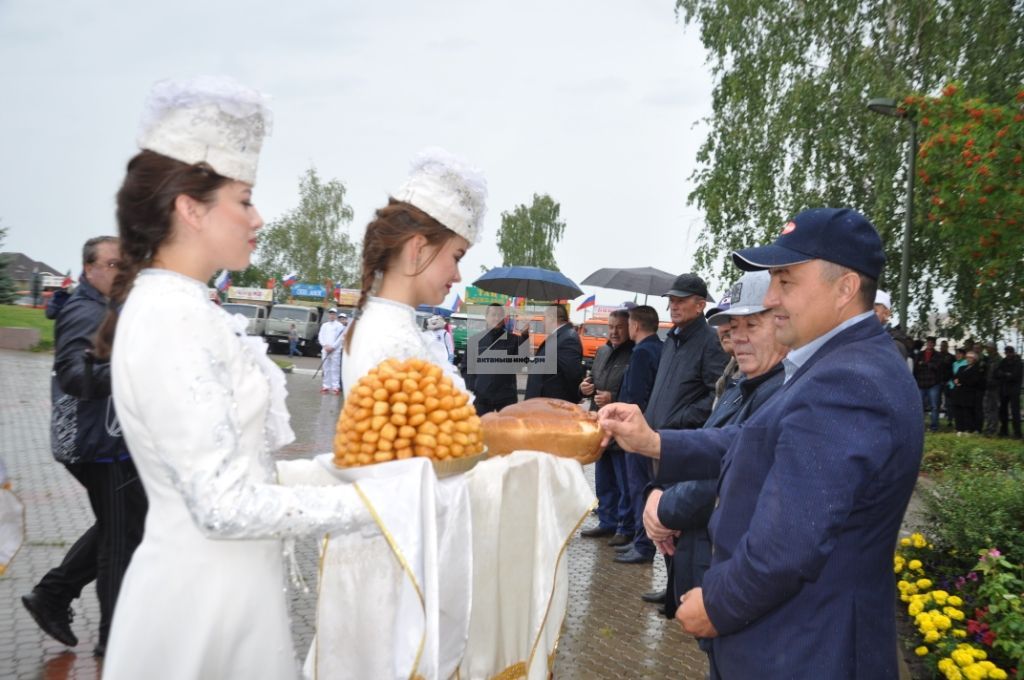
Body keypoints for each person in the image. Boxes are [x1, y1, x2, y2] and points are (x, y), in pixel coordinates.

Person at [92, 76, 375, 680]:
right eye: (244, 199)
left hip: (233, 590)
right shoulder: (169, 317)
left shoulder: (187, 308)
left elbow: (241, 466)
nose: (258, 217)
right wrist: (372, 507)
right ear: (190, 208)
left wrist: (339, 470)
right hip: (196, 605)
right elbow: (222, 506)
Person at [599, 207, 923, 678]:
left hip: (802, 650)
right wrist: (653, 442)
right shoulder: (835, 365)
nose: (772, 297)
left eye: (786, 282)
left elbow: (788, 547)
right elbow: (756, 438)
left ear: (845, 287)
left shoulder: (848, 381)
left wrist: (715, 604)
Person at [21, 236, 148, 657]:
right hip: (96, 443)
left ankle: (53, 594)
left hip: (111, 440)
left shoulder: (108, 308)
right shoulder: (83, 310)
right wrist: (133, 365)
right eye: (112, 264)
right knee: (120, 538)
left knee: (127, 523)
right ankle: (113, 637)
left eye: (124, 265)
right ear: (89, 268)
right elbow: (77, 378)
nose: (120, 272)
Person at [646, 270, 788, 623]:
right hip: (705, 570)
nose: (737, 339)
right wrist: (659, 491)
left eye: (751, 326)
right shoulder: (742, 386)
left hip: (734, 590)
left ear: (784, 324)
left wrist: (666, 506)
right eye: (730, 329)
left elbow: (736, 475)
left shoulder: (781, 393)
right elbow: (711, 448)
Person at [342, 148, 485, 398]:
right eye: (457, 257)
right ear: (417, 248)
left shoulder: (385, 327)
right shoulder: (394, 342)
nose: (458, 276)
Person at [615, 273, 727, 566]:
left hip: (679, 442)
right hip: (653, 437)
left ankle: (677, 588)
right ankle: (662, 575)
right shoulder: (671, 339)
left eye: (681, 301)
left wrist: (681, 418)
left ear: (700, 304)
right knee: (652, 505)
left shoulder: (709, 341)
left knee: (675, 516)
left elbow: (717, 393)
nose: (673, 306)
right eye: (671, 301)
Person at [609, 304, 663, 562]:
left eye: (628, 323)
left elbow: (636, 396)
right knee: (641, 487)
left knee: (639, 487)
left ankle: (642, 545)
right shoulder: (658, 348)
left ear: (636, 325)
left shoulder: (642, 352)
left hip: (637, 430)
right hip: (651, 426)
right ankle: (640, 542)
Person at [577, 309, 634, 545]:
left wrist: (614, 397)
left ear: (630, 328)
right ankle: (607, 522)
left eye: (619, 327)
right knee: (603, 478)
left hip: (622, 427)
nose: (614, 331)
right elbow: (593, 379)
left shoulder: (635, 353)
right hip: (600, 425)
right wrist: (585, 386)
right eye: (611, 326)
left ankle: (624, 527)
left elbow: (638, 391)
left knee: (623, 480)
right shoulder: (602, 351)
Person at [465, 303, 530, 415]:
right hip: (481, 397)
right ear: (486, 317)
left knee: (507, 429)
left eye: (499, 315)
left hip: (506, 397)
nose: (496, 318)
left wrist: (525, 337)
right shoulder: (474, 340)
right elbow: (466, 368)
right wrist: (473, 387)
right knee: (480, 429)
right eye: (493, 314)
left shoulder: (514, 340)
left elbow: (522, 363)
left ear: (504, 319)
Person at [524, 303, 584, 403]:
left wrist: (574, 399)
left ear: (552, 318)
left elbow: (573, 375)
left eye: (544, 318)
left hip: (550, 405)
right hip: (542, 402)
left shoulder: (568, 338)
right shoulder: (559, 336)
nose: (543, 322)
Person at [914, 336, 944, 432]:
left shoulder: (938, 355)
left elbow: (937, 367)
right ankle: (920, 426)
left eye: (932, 343)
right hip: (921, 382)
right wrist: (927, 365)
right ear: (926, 344)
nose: (930, 344)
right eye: (928, 342)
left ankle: (934, 427)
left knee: (934, 406)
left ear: (934, 344)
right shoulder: (920, 354)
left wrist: (924, 364)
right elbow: (916, 368)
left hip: (933, 383)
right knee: (920, 406)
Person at [951, 350, 985, 434]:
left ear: (975, 359)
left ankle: (968, 428)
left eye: (971, 357)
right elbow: (955, 376)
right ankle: (959, 428)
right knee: (958, 410)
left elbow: (974, 381)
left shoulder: (977, 369)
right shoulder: (961, 368)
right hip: (959, 392)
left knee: (967, 412)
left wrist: (961, 381)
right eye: (967, 357)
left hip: (969, 393)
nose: (968, 359)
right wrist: (956, 381)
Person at [995, 346, 1023, 438]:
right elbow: (997, 373)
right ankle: (1004, 430)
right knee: (1003, 410)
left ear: (1013, 352)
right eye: (1006, 352)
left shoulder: (1018, 363)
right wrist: (1005, 374)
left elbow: (1014, 376)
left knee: (1015, 412)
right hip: (1004, 389)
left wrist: (1004, 374)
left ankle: (1017, 432)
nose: (1008, 354)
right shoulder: (1003, 361)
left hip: (1014, 390)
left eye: (1009, 352)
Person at [318, 308, 345, 394]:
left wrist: (333, 347)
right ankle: (326, 386)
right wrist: (325, 345)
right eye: (330, 314)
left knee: (335, 369)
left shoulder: (340, 326)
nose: (332, 315)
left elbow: (340, 339)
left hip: (335, 351)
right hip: (325, 350)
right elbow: (320, 336)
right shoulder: (324, 325)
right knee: (326, 368)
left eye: (333, 314)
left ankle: (335, 387)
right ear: (328, 315)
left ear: (336, 315)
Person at [982, 343, 1002, 435]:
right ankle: (988, 427)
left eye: (988, 348)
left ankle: (993, 429)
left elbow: (1000, 374)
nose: (987, 349)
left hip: (996, 387)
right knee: (987, 408)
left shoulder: (999, 359)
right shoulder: (988, 359)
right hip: (987, 386)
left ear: (993, 348)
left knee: (994, 408)